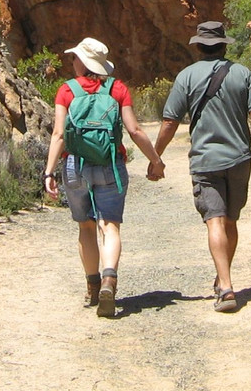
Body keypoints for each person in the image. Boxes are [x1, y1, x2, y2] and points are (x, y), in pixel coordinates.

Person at [152, 20, 251, 313]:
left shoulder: (186, 76)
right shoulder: (241, 73)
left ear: (198, 46)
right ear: (224, 44)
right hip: (239, 159)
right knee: (230, 220)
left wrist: (156, 157)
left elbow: (170, 121)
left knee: (215, 220)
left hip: (205, 160)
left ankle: (225, 285)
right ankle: (224, 280)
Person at [43, 37, 165, 317]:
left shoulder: (67, 91)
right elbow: (134, 130)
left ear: (81, 62)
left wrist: (49, 171)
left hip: (76, 165)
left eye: (74, 58)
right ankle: (110, 279)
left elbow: (59, 134)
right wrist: (155, 161)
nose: (71, 61)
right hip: (111, 163)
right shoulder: (117, 88)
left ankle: (93, 287)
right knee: (110, 226)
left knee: (85, 227)